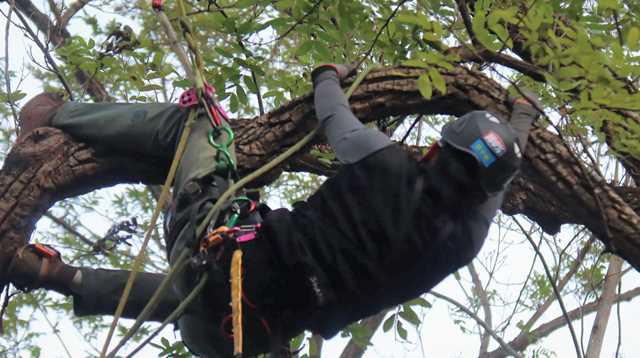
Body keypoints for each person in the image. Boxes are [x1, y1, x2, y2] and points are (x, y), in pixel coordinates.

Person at [2, 65, 541, 357]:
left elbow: (336, 119)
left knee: (200, 127)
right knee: (212, 302)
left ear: (433, 150)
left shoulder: (388, 163)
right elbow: (494, 176)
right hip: (240, 339)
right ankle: (62, 276)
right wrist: (521, 123)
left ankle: (56, 113)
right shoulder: (468, 237)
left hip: (217, 255)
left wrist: (326, 76)